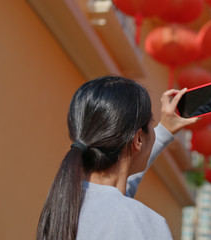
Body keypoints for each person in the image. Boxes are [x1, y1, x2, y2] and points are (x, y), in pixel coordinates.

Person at [36, 75, 198, 240]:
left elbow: (119, 185)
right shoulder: (141, 222)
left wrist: (164, 130)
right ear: (139, 138)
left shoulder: (61, 209)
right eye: (152, 122)